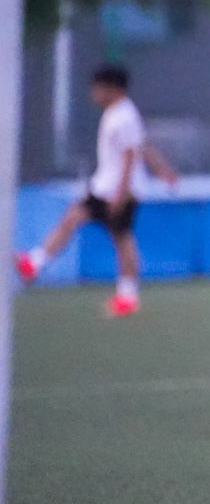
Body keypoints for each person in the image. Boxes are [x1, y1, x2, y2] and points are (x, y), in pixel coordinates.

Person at [16, 63, 179, 316]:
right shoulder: (121, 112)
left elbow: (130, 156)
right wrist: (163, 170)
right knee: (77, 219)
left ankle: (127, 296)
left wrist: (121, 194)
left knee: (121, 237)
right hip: (106, 187)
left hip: (117, 190)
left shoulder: (123, 117)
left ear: (111, 88)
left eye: (97, 88)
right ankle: (35, 263)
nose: (94, 94)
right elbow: (142, 146)